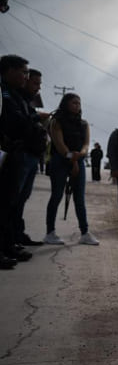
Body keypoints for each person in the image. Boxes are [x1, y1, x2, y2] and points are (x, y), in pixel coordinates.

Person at [44, 92, 98, 246]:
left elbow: (86, 144)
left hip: (78, 159)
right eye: (74, 103)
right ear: (66, 104)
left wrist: (80, 155)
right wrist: (72, 160)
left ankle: (85, 233)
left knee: (79, 198)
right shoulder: (56, 122)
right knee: (56, 195)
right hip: (60, 160)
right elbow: (60, 146)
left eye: (79, 103)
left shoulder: (83, 124)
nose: (77, 105)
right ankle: (50, 233)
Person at [0, 55, 36, 268]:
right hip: (5, 151)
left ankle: (7, 245)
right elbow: (14, 122)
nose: (25, 77)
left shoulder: (15, 94)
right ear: (9, 71)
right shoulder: (4, 93)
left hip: (13, 153)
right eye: (23, 72)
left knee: (9, 203)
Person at [12, 68, 48, 247]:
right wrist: (37, 117)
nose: (38, 88)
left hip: (32, 155)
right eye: (35, 83)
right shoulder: (13, 99)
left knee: (21, 198)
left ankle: (16, 235)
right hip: (21, 155)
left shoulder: (26, 102)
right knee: (13, 198)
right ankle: (10, 239)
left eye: (39, 84)